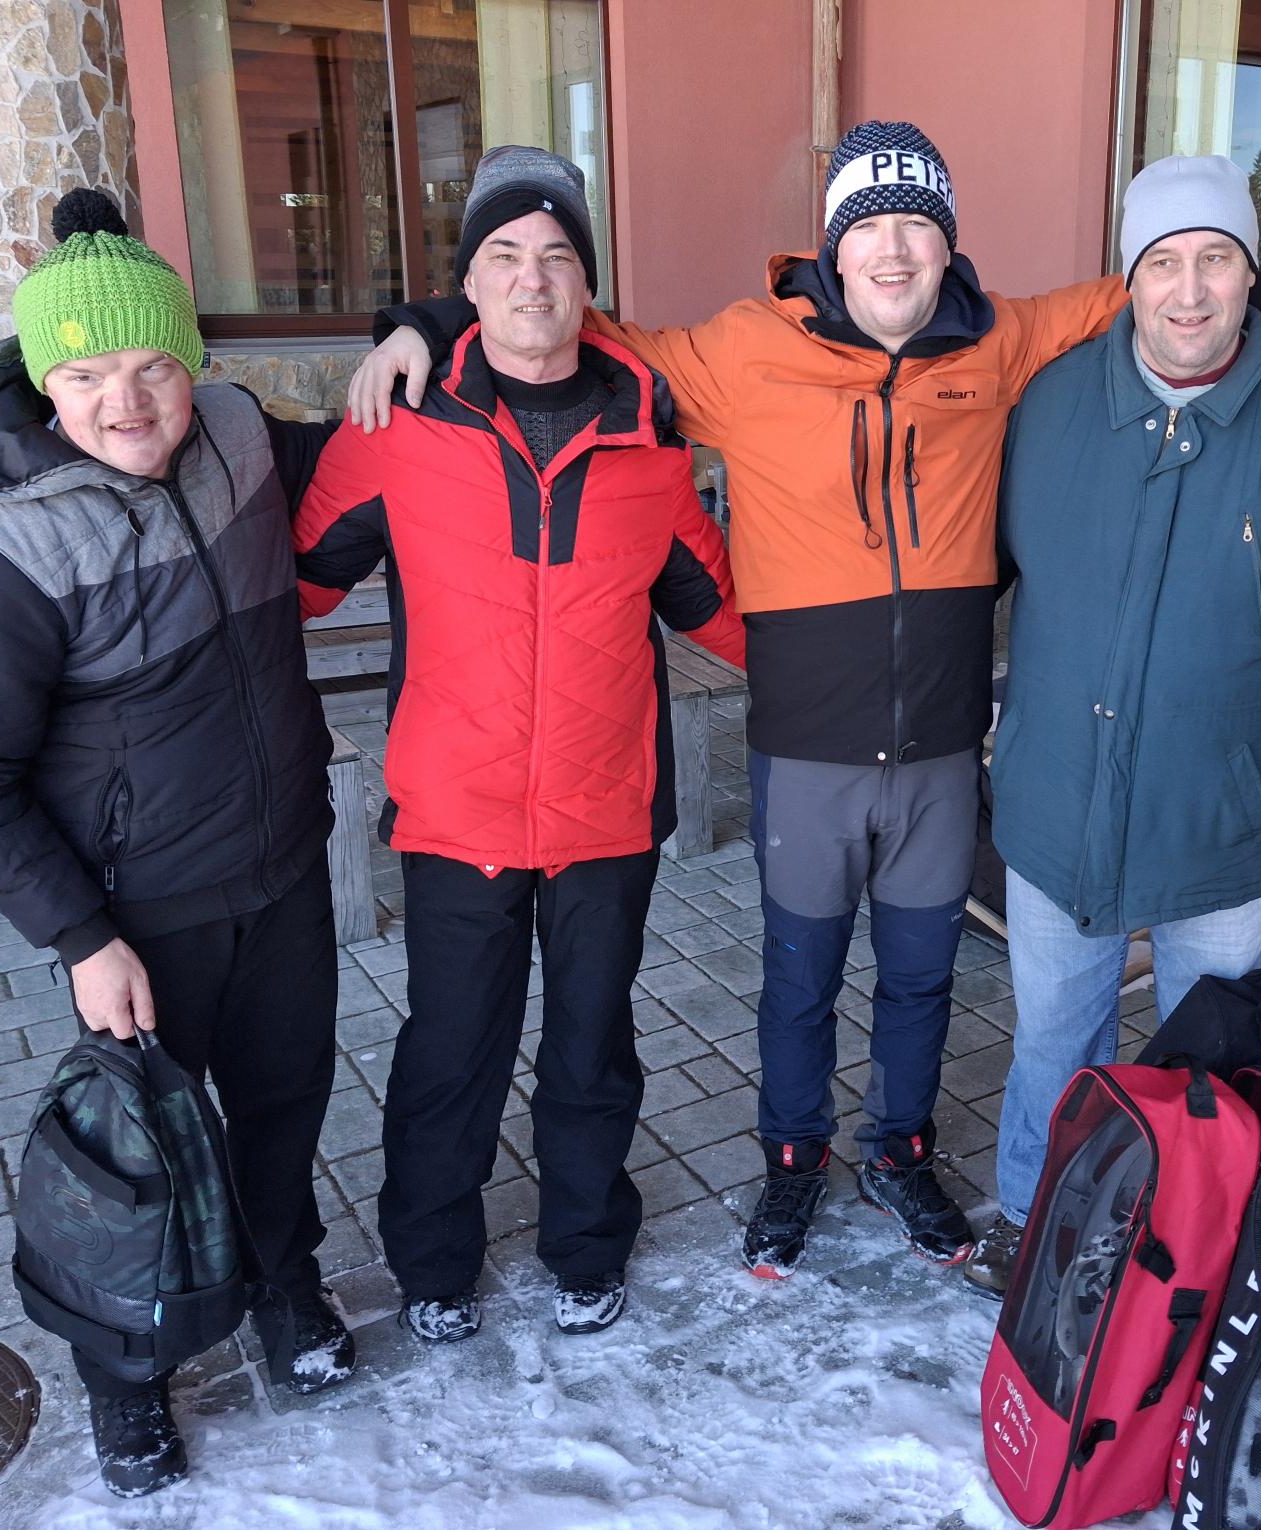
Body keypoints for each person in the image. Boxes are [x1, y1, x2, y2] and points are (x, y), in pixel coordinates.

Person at [348, 122, 1261, 1279]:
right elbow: (557, 316)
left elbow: (1162, 289)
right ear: (832, 248)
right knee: (799, 981)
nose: (892, 252)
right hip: (806, 750)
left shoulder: (1004, 341)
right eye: (869, 228)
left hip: (938, 749)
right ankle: (792, 1164)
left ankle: (899, 1151)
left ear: (948, 246)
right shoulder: (742, 350)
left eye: (916, 228)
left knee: (920, 979)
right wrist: (422, 322)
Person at [0, 190, 353, 1497]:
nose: (130, 401)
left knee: (282, 1106)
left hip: (282, 863)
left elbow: (367, 459)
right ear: (46, 381)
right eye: (90, 373)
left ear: (192, 364)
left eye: (156, 365)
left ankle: (285, 1286)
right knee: (135, 1155)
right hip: (138, 912)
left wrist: (417, 337)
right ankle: (123, 1370)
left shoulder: (236, 435)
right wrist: (81, 937)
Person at [292, 147, 745, 1343]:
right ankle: (435, 1263)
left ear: (587, 284)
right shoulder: (397, 428)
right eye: (503, 254)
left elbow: (724, 613)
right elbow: (295, 579)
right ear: (468, 285)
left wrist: (872, 669)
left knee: (593, 1049)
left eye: (556, 256)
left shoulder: (652, 447)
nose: (531, 277)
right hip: (457, 809)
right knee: (451, 1053)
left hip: (606, 812)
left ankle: (586, 1247)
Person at [964, 155, 1261, 1298]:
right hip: (1060, 801)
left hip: (1226, 813)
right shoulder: (1051, 404)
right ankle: (1031, 1216)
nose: (1191, 290)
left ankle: (1191, 1246)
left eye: (1217, 259)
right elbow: (973, 574)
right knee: (1054, 1040)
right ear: (1129, 278)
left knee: (1213, 1055)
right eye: (1163, 262)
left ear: (1253, 275)